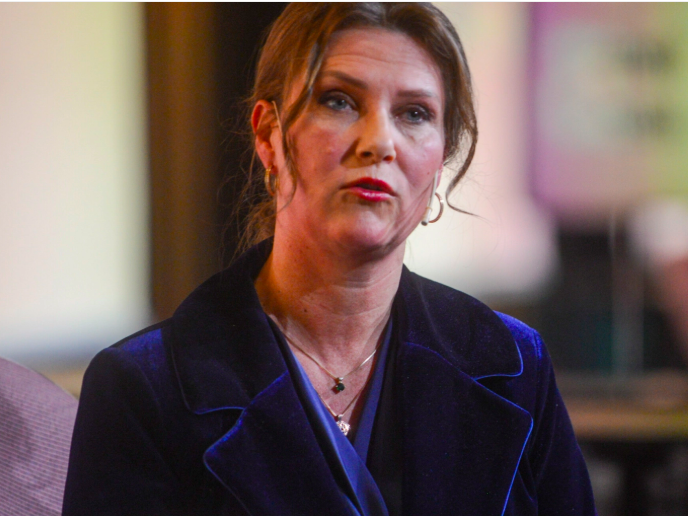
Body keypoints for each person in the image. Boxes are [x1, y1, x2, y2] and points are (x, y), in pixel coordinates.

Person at [63, 3, 596, 515]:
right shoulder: (144, 387)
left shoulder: (513, 365)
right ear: (268, 135)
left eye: (414, 113)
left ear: (440, 159)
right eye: (339, 101)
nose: (379, 142)